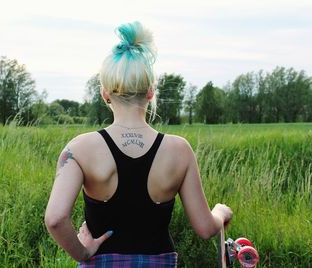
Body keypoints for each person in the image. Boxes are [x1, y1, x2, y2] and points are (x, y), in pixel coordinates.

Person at [44, 21, 232, 267]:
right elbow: (206, 228)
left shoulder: (80, 149)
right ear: (151, 92)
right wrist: (221, 212)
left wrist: (83, 253)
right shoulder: (179, 150)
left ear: (105, 94)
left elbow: (56, 219)